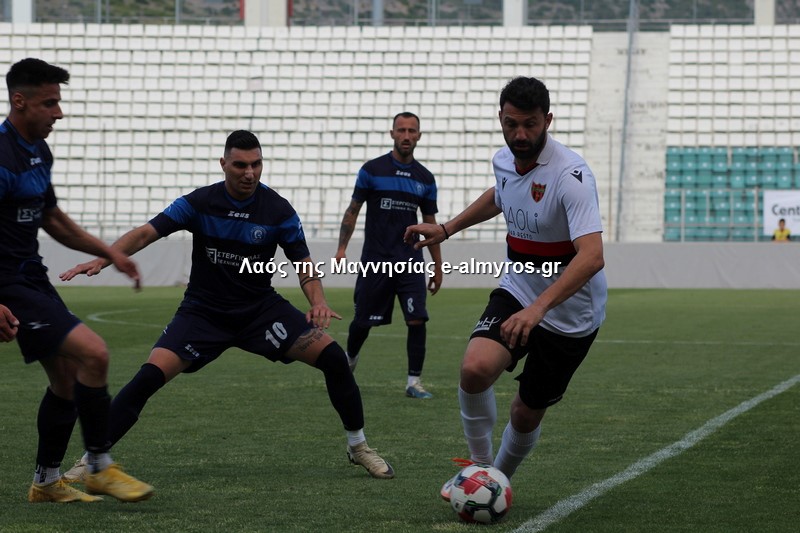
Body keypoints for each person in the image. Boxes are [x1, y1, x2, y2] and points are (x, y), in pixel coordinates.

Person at [60, 130, 394, 481]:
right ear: (223, 164)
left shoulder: (278, 210)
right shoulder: (199, 202)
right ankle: (92, 459)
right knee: (147, 378)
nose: (249, 173)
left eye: (256, 164)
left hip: (259, 311)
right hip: (204, 312)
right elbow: (147, 232)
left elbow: (304, 265)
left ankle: (358, 447)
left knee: (334, 358)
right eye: (240, 165)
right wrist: (105, 257)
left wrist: (319, 300)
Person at [403, 76, 607, 497]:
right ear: (500, 118)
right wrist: (447, 228)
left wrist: (538, 310)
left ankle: (499, 478)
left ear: (548, 120)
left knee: (525, 413)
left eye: (530, 124)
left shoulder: (571, 175)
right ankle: (480, 471)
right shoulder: (503, 160)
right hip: (518, 287)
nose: (520, 135)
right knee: (474, 369)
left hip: (570, 314)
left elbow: (592, 257)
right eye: (512, 124)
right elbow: (500, 195)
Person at [0, 58, 153, 503]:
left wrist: (111, 253)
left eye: (59, 102)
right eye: (50, 103)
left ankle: (46, 482)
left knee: (66, 378)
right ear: (19, 101)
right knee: (94, 352)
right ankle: (100, 466)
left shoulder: (38, 152)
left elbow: (52, 219)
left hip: (30, 275)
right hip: (7, 282)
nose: (59, 113)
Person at [335, 112, 443, 399]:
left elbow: (431, 224)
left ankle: (413, 382)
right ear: (392, 133)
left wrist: (438, 266)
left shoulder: (425, 178)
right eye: (401, 130)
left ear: (419, 136)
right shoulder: (372, 170)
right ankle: (349, 362)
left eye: (412, 131)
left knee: (417, 319)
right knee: (363, 320)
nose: (406, 136)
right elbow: (353, 210)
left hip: (410, 260)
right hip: (376, 260)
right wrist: (342, 248)